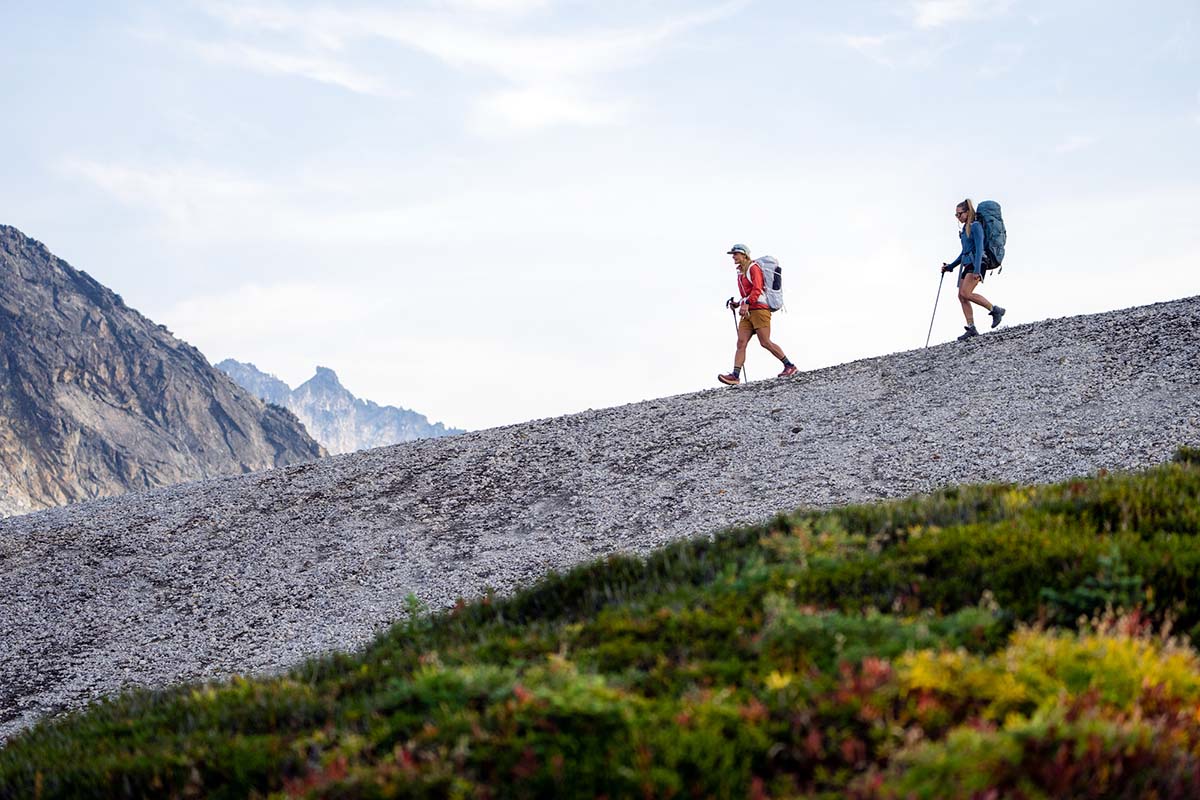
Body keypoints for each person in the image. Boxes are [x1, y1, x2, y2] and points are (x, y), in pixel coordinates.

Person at [718, 244, 798, 385]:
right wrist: (738, 303)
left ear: (744, 255)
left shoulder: (753, 268)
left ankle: (790, 366)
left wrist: (747, 302)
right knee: (741, 343)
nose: (733, 256)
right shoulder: (741, 272)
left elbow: (757, 289)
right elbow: (749, 293)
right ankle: (735, 375)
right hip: (748, 311)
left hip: (759, 309)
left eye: (735, 254)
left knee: (765, 342)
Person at [942, 199, 1005, 340]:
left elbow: (980, 247)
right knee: (961, 296)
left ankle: (995, 310)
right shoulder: (965, 229)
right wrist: (950, 267)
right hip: (968, 263)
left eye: (959, 214)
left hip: (978, 263)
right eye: (956, 215)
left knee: (966, 292)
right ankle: (971, 328)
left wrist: (977, 269)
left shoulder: (976, 226)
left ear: (967, 212)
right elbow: (964, 252)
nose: (958, 217)